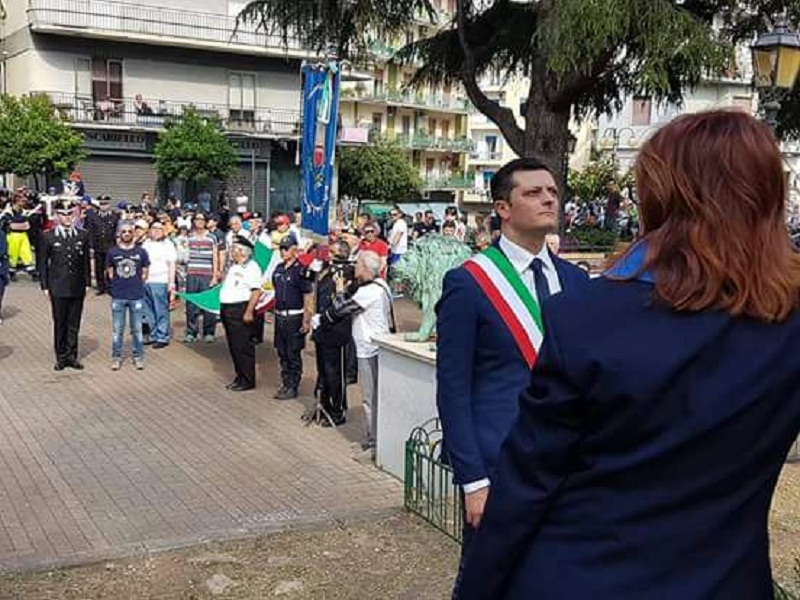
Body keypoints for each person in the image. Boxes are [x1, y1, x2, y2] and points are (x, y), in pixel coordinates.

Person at [456, 111, 800, 599]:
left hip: (581, 575)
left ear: (660, 194)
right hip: (725, 580)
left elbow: (527, 484)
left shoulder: (586, 317)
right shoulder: (788, 322)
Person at [436, 157, 588, 593]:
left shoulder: (576, 282)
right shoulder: (468, 283)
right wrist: (473, 480)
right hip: (499, 468)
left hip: (568, 468)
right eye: (533, 192)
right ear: (502, 208)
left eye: (553, 192)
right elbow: (453, 390)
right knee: (487, 582)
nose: (547, 199)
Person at [322, 250, 393, 453]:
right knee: (376, 396)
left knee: (369, 398)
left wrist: (340, 289)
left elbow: (339, 309)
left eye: (358, 264)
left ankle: (374, 442)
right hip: (378, 345)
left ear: (364, 268)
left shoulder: (368, 291)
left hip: (369, 349)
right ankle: (377, 438)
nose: (354, 268)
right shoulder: (382, 285)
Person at [39, 204, 92, 371]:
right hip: (58, 286)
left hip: (77, 285)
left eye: (70, 214)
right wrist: (45, 286)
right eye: (63, 214)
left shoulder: (82, 235)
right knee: (60, 322)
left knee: (74, 323)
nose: (67, 217)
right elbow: (42, 264)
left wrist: (88, 282)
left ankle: (72, 355)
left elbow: (85, 263)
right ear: (57, 216)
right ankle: (61, 357)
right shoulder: (49, 236)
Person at [309, 240, 355, 426]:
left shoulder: (348, 272)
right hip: (321, 329)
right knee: (323, 372)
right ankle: (324, 405)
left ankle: (338, 411)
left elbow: (342, 303)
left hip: (336, 330)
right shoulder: (326, 269)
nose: (328, 255)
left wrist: (324, 318)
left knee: (335, 374)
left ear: (341, 254)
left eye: (332, 252)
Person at [271, 236, 313, 400]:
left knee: (293, 353)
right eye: (281, 248)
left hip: (295, 316)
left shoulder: (301, 270)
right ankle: (286, 382)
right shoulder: (278, 268)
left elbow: (308, 295)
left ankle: (293, 385)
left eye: (286, 248)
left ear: (294, 249)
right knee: (282, 352)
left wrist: (306, 319)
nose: (283, 252)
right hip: (280, 316)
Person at [219, 235, 263, 392]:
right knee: (233, 346)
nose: (232, 252)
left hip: (240, 310)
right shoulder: (234, 267)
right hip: (228, 310)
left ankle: (247, 379)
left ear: (243, 252)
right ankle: (239, 376)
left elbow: (256, 291)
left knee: (242, 346)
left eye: (235, 249)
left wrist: (249, 311)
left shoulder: (252, 268)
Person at [106, 222, 150, 370]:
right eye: (123, 232)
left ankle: (138, 357)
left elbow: (145, 272)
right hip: (118, 295)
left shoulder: (141, 252)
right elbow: (110, 272)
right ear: (119, 234)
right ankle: (116, 357)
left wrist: (135, 284)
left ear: (133, 234)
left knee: (137, 330)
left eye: (129, 231)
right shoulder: (112, 252)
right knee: (117, 330)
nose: (126, 234)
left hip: (136, 295)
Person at [184, 212, 220, 343]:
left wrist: (215, 275)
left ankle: (209, 332)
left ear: (206, 221)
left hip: (207, 274)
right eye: (197, 219)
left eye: (202, 219)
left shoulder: (212, 237)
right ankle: (191, 332)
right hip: (192, 273)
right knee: (191, 304)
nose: (199, 221)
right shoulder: (188, 237)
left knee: (208, 304)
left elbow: (215, 257)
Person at [141, 221, 177, 349]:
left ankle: (163, 336)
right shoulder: (146, 243)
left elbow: (172, 264)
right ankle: (154, 334)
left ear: (164, 231)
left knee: (161, 310)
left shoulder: (168, 245)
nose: (156, 231)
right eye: (153, 228)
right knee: (147, 311)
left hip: (160, 280)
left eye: (159, 229)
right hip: (146, 281)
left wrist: (171, 283)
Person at [85, 195, 119, 295]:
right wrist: (91, 246)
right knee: (99, 268)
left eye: (105, 204)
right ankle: (101, 287)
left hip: (110, 246)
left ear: (109, 204)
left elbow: (116, 231)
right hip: (98, 245)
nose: (103, 206)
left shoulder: (115, 216)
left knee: (110, 267)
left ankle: (110, 287)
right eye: (101, 204)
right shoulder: (93, 216)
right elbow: (90, 232)